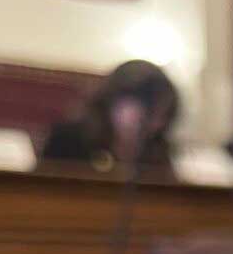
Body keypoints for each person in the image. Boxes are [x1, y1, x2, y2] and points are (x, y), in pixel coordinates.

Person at [42, 60, 179, 173]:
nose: (157, 124)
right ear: (113, 101)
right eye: (151, 113)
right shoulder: (67, 139)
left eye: (163, 116)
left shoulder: (159, 152)